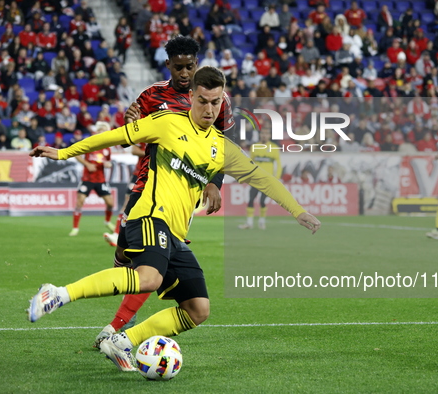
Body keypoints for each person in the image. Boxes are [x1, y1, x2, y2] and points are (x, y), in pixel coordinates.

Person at [27, 66, 321, 372]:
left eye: (216, 102)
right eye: (203, 100)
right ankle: (58, 294)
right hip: (150, 216)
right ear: (191, 96)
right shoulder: (167, 122)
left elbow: (262, 178)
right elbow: (113, 137)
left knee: (198, 309)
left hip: (175, 234)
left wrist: (297, 210)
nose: (209, 108)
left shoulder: (221, 147)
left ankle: (123, 341)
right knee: (149, 277)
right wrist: (63, 154)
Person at [100, 36, 234, 347]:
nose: (185, 73)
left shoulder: (216, 101)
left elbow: (224, 149)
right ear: (168, 66)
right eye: (179, 67)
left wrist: (215, 181)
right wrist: (128, 122)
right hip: (147, 180)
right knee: (123, 251)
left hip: (181, 189)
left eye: (190, 66)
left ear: (196, 65)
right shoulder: (151, 96)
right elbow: (126, 139)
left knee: (152, 260)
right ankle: (122, 322)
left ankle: (120, 327)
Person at [69, 121, 116, 237]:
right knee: (80, 202)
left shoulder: (107, 149)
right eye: (100, 130)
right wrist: (87, 164)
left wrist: (108, 164)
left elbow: (108, 162)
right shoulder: (90, 143)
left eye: (104, 131)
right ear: (97, 131)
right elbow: (76, 154)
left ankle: (107, 221)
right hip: (87, 178)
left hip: (100, 179)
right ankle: (75, 228)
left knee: (110, 203)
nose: (102, 133)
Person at [239, 126, 282, 230]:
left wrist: (276, 177)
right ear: (260, 134)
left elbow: (278, 164)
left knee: (262, 201)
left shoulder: (274, 148)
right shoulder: (254, 147)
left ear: (270, 135)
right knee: (251, 200)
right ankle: (249, 223)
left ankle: (262, 222)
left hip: (267, 180)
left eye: (266, 133)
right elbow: (249, 162)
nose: (264, 135)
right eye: (263, 133)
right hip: (255, 179)